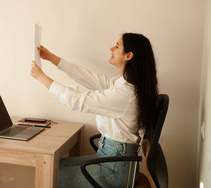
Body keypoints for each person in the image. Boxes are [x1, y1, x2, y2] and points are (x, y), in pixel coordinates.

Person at [30, 32, 158, 188]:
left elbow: (78, 101)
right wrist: (51, 58)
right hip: (112, 159)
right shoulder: (121, 83)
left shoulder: (124, 94)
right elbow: (89, 77)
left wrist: (41, 77)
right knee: (56, 166)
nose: (111, 48)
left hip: (114, 171)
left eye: (117, 46)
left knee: (50, 175)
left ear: (128, 55)